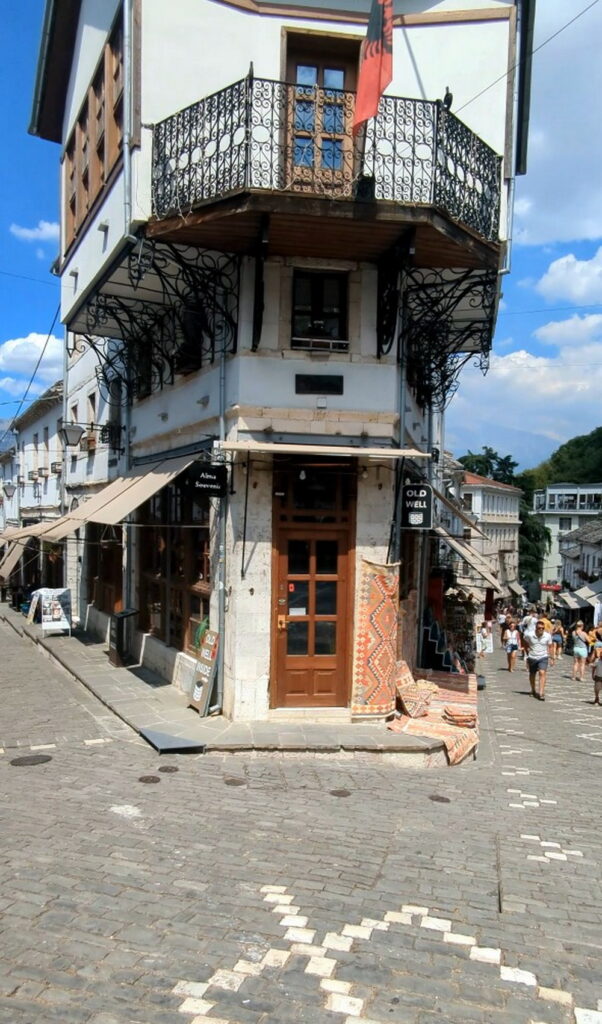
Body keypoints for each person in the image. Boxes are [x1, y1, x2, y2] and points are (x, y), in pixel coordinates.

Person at [522, 618, 552, 700]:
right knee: (532, 674)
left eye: (542, 628)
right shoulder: (530, 635)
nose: (541, 630)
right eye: (539, 628)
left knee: (542, 672)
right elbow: (524, 642)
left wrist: (552, 657)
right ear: (536, 628)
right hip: (532, 656)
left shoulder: (547, 636)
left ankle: (541, 692)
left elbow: (550, 646)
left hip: (543, 656)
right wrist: (526, 651)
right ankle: (533, 689)